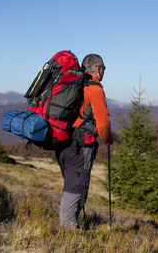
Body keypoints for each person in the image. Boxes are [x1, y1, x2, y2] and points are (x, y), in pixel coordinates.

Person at [55, 54, 112, 229]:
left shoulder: (74, 84)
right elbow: (102, 123)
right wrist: (108, 140)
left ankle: (70, 224)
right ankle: (68, 230)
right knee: (76, 188)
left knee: (72, 185)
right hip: (80, 145)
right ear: (98, 69)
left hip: (62, 141)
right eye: (103, 69)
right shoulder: (94, 89)